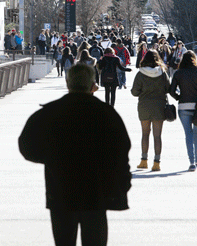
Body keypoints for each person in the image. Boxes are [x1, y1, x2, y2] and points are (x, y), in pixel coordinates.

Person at [18, 64, 131, 246]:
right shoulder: (106, 113)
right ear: (92, 84)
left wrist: (51, 158)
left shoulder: (49, 112)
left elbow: (27, 146)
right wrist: (123, 182)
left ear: (67, 82)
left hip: (61, 189)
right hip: (96, 192)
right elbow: (121, 150)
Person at [169, 51, 197, 171]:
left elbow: (172, 91)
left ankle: (192, 161)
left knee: (188, 134)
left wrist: (179, 97)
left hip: (183, 106)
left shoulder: (178, 73)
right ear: (195, 59)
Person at [131, 50, 170, 171]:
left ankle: (143, 161)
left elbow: (134, 92)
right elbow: (168, 88)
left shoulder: (140, 73)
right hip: (159, 106)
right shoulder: (162, 73)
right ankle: (157, 163)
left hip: (144, 106)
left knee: (145, 134)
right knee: (157, 136)